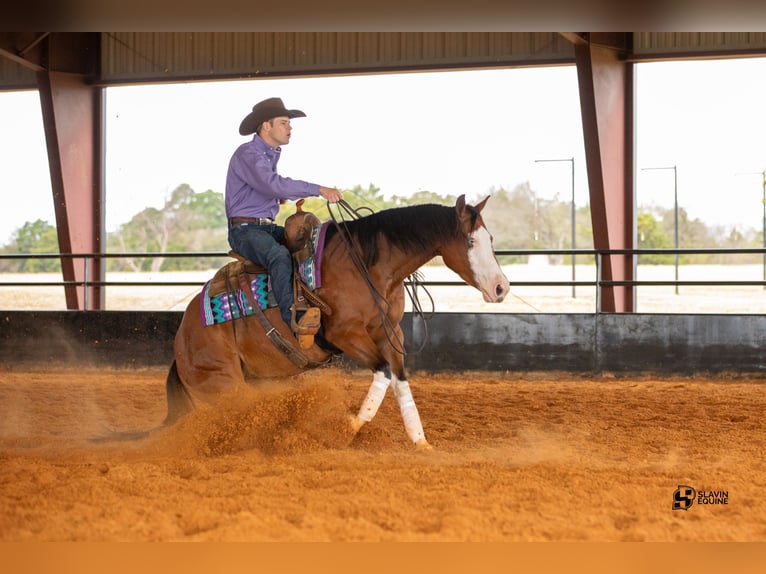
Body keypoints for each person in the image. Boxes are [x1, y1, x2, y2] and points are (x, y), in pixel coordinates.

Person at [225, 97, 342, 335]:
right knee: (278, 256)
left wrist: (274, 198)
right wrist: (317, 189)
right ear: (266, 126)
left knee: (314, 241)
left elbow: (266, 187)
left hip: (264, 227)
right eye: (284, 122)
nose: (290, 127)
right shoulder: (248, 153)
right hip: (245, 231)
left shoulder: (268, 155)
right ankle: (294, 320)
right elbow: (272, 184)